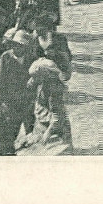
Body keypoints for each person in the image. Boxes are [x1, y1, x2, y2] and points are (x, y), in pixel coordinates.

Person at [29, 12, 73, 144]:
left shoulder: (59, 39)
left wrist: (57, 55)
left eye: (40, 28)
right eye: (36, 28)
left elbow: (67, 60)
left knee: (57, 110)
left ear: (47, 28)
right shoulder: (35, 40)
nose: (37, 31)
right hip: (41, 81)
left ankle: (63, 141)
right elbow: (31, 60)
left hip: (54, 79)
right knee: (42, 108)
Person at [0, 28, 37, 155]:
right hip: (11, 103)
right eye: (15, 45)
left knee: (31, 132)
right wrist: (1, 102)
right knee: (10, 133)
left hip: (28, 101)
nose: (17, 48)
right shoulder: (5, 57)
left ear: (25, 47)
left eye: (21, 45)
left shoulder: (31, 58)